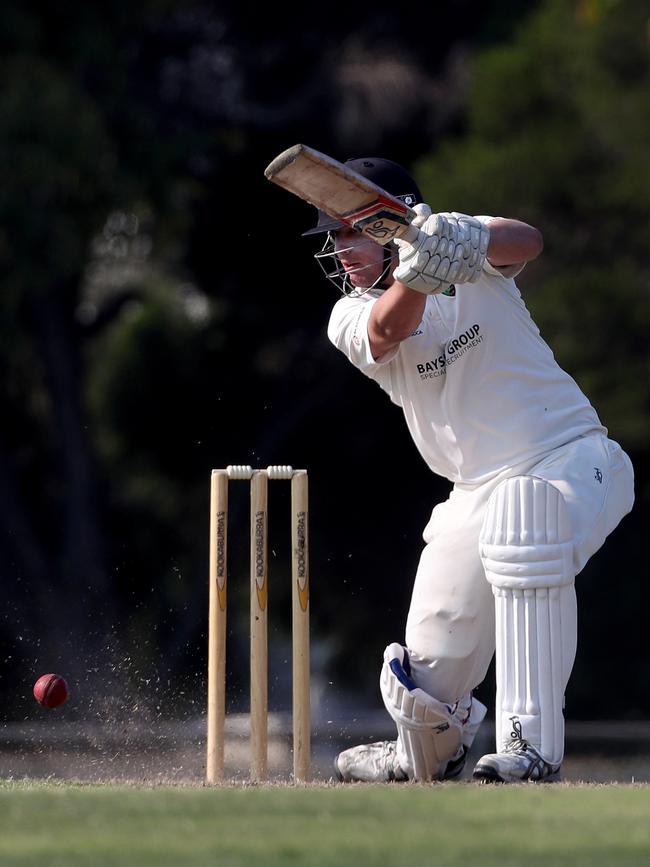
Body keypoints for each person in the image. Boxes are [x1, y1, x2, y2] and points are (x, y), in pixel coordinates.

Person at [303, 157, 635, 783]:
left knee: (525, 524)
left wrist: (468, 238)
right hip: (471, 493)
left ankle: (529, 748)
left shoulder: (459, 240)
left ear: (383, 222)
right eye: (334, 236)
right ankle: (425, 751)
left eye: (349, 231)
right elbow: (386, 328)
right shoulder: (347, 313)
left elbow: (527, 240)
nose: (338, 248)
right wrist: (420, 273)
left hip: (571, 456)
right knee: (428, 679)